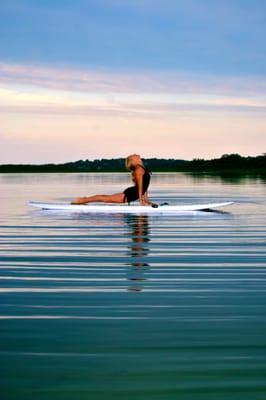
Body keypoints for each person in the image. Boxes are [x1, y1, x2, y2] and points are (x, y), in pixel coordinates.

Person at [71, 154, 157, 206]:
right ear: (133, 160)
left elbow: (145, 186)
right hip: (131, 194)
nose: (135, 154)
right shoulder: (138, 169)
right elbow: (140, 187)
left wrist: (146, 201)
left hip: (134, 193)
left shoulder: (142, 168)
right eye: (133, 155)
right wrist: (142, 202)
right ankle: (82, 200)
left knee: (106, 198)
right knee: (105, 199)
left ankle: (84, 199)